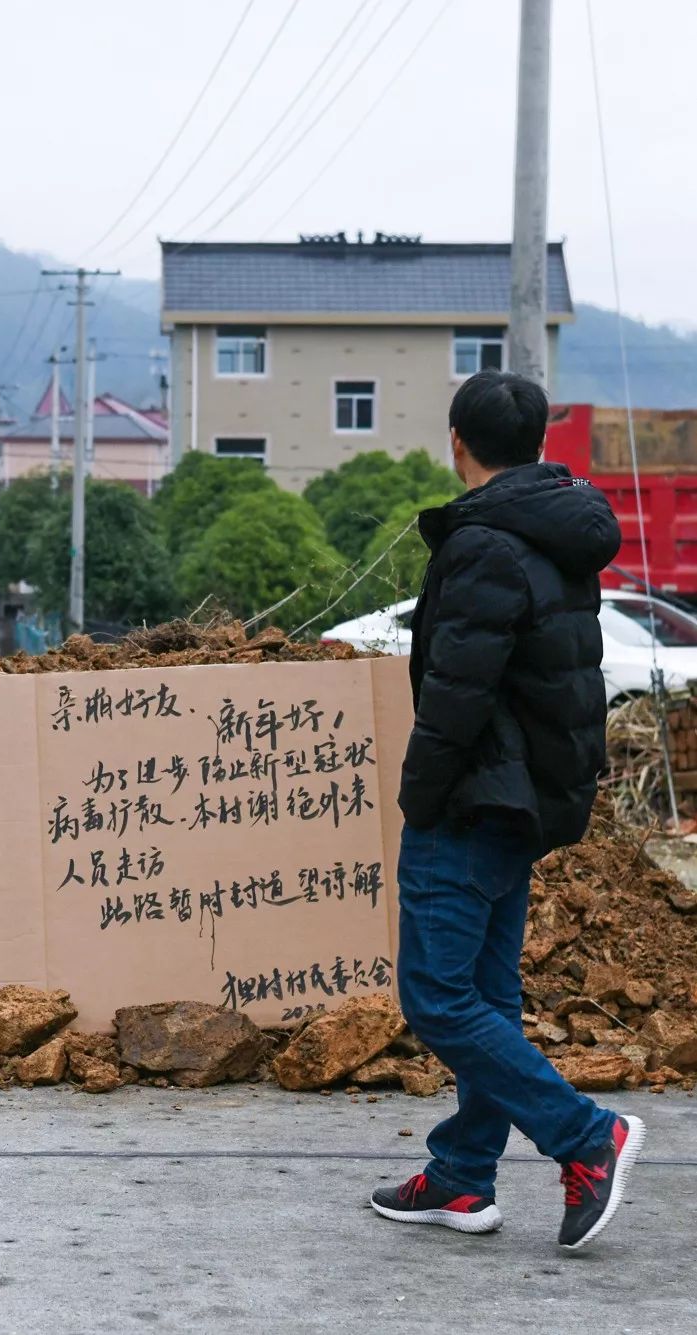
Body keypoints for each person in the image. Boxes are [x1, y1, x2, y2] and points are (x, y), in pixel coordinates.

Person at [370, 369, 644, 1252]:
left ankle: (583, 1136)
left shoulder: (485, 543)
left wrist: (419, 796)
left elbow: (456, 691)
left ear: (457, 440)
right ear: (536, 444)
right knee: (484, 991)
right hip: (522, 798)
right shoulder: (556, 531)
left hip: (472, 799)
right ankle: (459, 1178)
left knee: (436, 997)